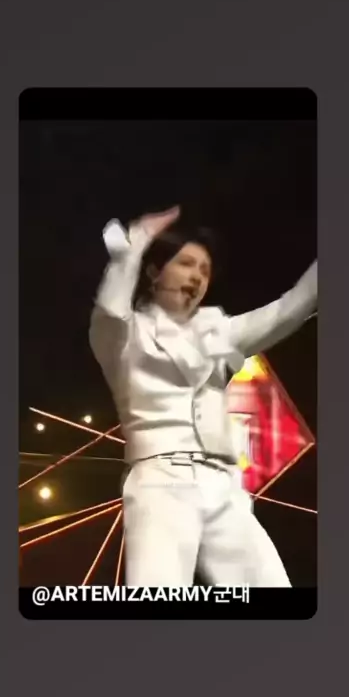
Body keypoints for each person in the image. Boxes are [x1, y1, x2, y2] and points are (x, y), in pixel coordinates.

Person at [89, 206, 317, 586]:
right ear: (154, 272)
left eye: (205, 270)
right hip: (160, 480)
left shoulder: (219, 333)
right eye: (186, 264)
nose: (197, 276)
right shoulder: (123, 336)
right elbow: (111, 309)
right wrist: (136, 243)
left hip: (223, 484)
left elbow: (288, 310)